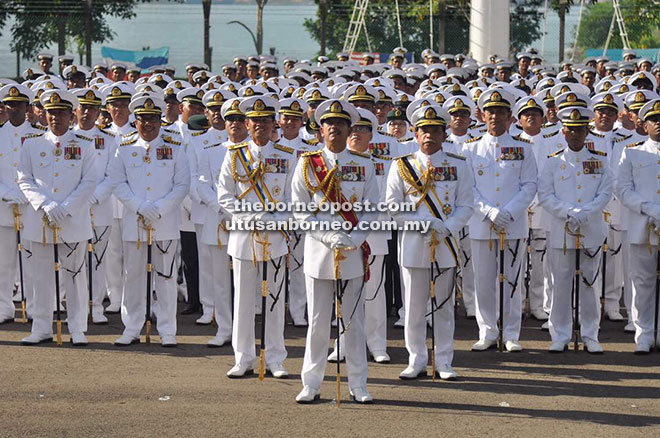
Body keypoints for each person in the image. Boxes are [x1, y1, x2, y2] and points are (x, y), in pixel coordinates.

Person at [291, 99, 379, 404]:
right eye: (330, 123)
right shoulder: (307, 163)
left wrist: (355, 237)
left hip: (352, 251)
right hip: (319, 252)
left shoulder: (364, 164)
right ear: (321, 129)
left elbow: (372, 209)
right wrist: (329, 236)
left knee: (354, 322)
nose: (335, 128)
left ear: (349, 129)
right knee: (317, 322)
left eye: (341, 123)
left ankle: (359, 383)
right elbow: (300, 211)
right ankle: (311, 383)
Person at [387, 104, 474, 380]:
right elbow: (393, 207)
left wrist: (448, 227)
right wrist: (423, 223)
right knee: (413, 308)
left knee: (444, 307)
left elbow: (466, 204)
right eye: (424, 130)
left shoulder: (458, 164)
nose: (429, 135)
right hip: (414, 244)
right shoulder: (401, 166)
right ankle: (416, 359)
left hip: (446, 243)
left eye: (435, 130)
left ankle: (444, 360)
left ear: (443, 133)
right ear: (414, 132)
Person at [217, 95, 291, 379]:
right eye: (254, 121)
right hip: (244, 235)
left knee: (274, 297)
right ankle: (243, 357)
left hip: (275, 236)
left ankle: (275, 358)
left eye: (265, 121)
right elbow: (225, 194)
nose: (260, 126)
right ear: (246, 124)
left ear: (274, 124)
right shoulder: (234, 154)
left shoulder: (285, 156)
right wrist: (249, 217)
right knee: (244, 300)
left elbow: (293, 197)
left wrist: (274, 220)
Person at [18, 89, 97, 346]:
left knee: (75, 276)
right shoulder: (32, 144)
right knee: (40, 277)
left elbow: (90, 181)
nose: (56, 118)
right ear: (44, 115)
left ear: (70, 115)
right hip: (41, 220)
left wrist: (66, 207)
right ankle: (41, 327)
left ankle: (77, 328)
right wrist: (46, 205)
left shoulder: (84, 145)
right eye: (51, 113)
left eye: (61, 113)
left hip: (72, 220)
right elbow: (24, 179)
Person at [110, 94, 190, 347]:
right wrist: (139, 206)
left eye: (153, 119)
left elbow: (182, 184)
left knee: (165, 277)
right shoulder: (124, 147)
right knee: (132, 276)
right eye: (143, 119)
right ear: (135, 121)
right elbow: (117, 182)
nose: (148, 125)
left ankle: (167, 330)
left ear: (160, 121)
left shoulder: (176, 147)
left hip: (164, 223)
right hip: (135, 221)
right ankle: (131, 327)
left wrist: (159, 208)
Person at [463, 88, 537, 352]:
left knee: (513, 282)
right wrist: (490, 212)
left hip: (513, 224)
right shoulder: (470, 149)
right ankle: (487, 331)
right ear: (482, 116)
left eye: (501, 112)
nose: (495, 117)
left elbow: (530, 185)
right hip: (482, 224)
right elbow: (467, 187)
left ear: (510, 118)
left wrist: (509, 212)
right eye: (490, 112)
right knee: (483, 280)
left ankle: (511, 333)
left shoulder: (523, 148)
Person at [539, 106, 613, 353]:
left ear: (586, 132)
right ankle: (560, 333)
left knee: (590, 283)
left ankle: (591, 334)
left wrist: (586, 213)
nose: (575, 135)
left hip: (590, 228)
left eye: (580, 130)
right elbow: (545, 195)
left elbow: (605, 192)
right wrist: (569, 213)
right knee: (560, 283)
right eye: (570, 130)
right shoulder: (553, 162)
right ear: (563, 131)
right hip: (562, 230)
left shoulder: (599, 159)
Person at [197, 97, 248, 347]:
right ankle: (224, 328)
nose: (235, 124)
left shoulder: (255, 151)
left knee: (246, 280)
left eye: (240, 119)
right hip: (218, 220)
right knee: (219, 279)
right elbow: (202, 183)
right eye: (230, 120)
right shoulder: (213, 150)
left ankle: (245, 331)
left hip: (248, 224)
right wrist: (222, 207)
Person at [72, 88, 120, 324]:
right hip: (74, 209)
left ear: (99, 112)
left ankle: (97, 307)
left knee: (99, 260)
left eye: (92, 109)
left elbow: (113, 175)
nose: (87, 112)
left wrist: (95, 197)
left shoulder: (109, 139)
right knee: (75, 261)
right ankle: (79, 308)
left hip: (100, 208)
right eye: (83, 107)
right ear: (76, 110)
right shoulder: (67, 138)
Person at [616, 98, 660, 354]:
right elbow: (622, 188)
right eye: (654, 120)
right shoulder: (631, 151)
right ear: (644, 125)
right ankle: (643, 333)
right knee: (642, 282)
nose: (659, 124)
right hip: (642, 227)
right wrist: (649, 208)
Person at [0, 84, 42, 323]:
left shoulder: (38, 135)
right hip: (3, 206)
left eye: (19, 105)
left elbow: (46, 173)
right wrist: (5, 193)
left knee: (32, 260)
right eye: (9, 105)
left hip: (30, 207)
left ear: (27, 107)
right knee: (3, 262)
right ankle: (4, 307)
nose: (14, 109)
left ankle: (35, 306)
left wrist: (28, 194)